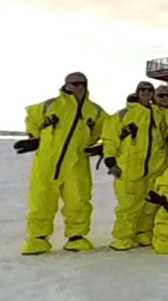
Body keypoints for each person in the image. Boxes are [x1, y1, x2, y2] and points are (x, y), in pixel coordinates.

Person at [20, 72, 106, 254]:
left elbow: (109, 129)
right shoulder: (51, 105)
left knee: (79, 200)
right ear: (66, 84)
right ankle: (38, 238)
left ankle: (76, 236)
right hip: (47, 161)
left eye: (83, 83)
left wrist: (102, 146)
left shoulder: (95, 111)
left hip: (77, 163)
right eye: (75, 83)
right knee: (42, 199)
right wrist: (33, 137)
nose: (80, 87)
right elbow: (33, 118)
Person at [104, 81, 168, 250]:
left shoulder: (159, 114)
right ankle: (122, 238)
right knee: (128, 206)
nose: (146, 93)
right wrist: (110, 162)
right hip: (130, 167)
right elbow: (110, 140)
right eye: (143, 90)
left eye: (150, 90)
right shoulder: (123, 115)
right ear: (137, 92)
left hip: (156, 166)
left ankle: (143, 233)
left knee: (150, 204)